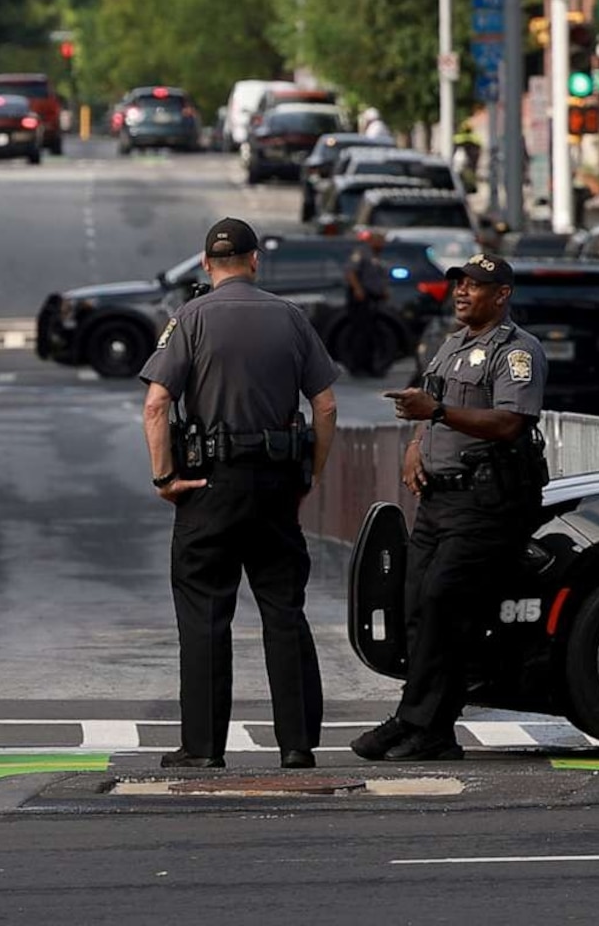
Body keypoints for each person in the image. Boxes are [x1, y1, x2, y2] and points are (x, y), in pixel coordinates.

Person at [139, 215, 341, 771]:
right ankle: (297, 745)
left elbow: (157, 404)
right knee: (284, 610)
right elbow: (324, 405)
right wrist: (310, 475)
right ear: (256, 261)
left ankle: (203, 749)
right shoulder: (291, 317)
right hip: (276, 485)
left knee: (205, 614)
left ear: (207, 264)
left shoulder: (189, 319)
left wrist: (165, 479)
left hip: (207, 487)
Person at [355, 250, 547, 763]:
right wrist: (418, 442)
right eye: (458, 284)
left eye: (474, 286)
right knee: (417, 607)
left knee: (444, 604)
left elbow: (510, 422)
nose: (461, 292)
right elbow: (431, 407)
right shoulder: (451, 346)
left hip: (486, 501)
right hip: (439, 500)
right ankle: (426, 728)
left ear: (502, 295)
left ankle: (419, 723)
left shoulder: (516, 352)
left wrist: (436, 410)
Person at [330, 236, 403, 379]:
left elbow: (380, 277)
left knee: (372, 333)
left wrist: (384, 290)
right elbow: (350, 272)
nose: (382, 244)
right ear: (371, 241)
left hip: (374, 300)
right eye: (379, 240)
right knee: (360, 333)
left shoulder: (378, 257)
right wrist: (358, 289)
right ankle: (358, 367)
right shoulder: (362, 253)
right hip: (361, 300)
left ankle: (372, 366)